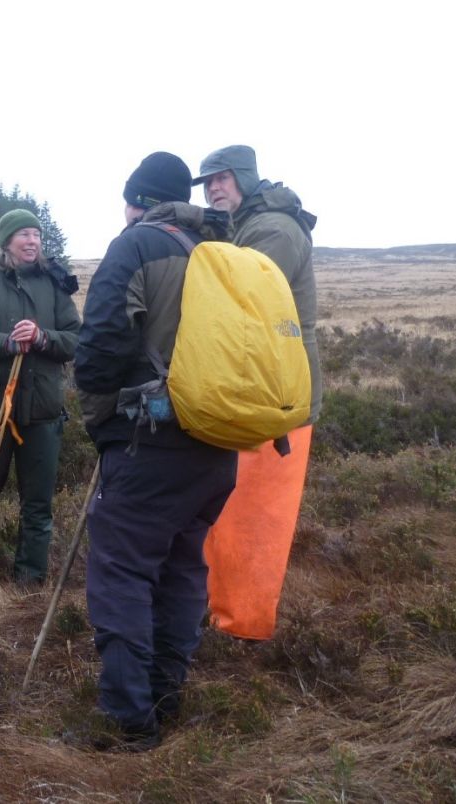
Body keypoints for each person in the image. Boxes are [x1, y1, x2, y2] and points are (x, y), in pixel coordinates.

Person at [72, 152, 237, 751]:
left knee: (122, 571)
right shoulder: (222, 247)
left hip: (151, 440)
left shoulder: (136, 245)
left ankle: (129, 720)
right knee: (183, 567)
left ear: (136, 199)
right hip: (218, 444)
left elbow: (101, 346)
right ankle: (166, 695)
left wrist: (102, 424)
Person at [192, 145, 320, 640]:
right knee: (231, 513)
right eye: (207, 183)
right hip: (257, 393)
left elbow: (240, 301)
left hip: (278, 402)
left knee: (256, 521)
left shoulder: (272, 230)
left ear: (244, 179)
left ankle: (243, 630)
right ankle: (222, 614)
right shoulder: (245, 227)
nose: (213, 189)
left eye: (222, 179)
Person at [0, 209, 81, 585]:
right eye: (24, 234)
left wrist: (43, 338)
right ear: (6, 242)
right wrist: (5, 343)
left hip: (42, 409)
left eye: (37, 235)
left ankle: (30, 579)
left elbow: (74, 338)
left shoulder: (54, 285)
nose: (33, 241)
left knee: (38, 503)